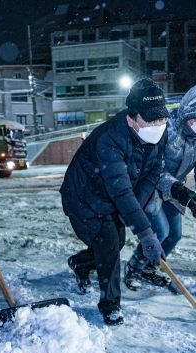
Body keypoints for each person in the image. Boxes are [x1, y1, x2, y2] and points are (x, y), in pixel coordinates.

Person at [61, 77, 168, 325]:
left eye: (162, 118)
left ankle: (79, 263)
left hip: (111, 197)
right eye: (150, 119)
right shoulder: (110, 139)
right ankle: (110, 305)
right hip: (84, 197)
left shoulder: (159, 132)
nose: (158, 124)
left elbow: (152, 174)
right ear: (131, 118)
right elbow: (121, 192)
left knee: (116, 242)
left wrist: (134, 208)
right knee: (109, 244)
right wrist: (145, 233)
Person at [124, 83, 196, 289]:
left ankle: (149, 268)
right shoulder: (165, 128)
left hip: (173, 190)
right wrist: (180, 190)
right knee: (159, 231)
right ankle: (134, 268)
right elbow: (152, 167)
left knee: (174, 235)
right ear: (187, 112)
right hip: (149, 186)